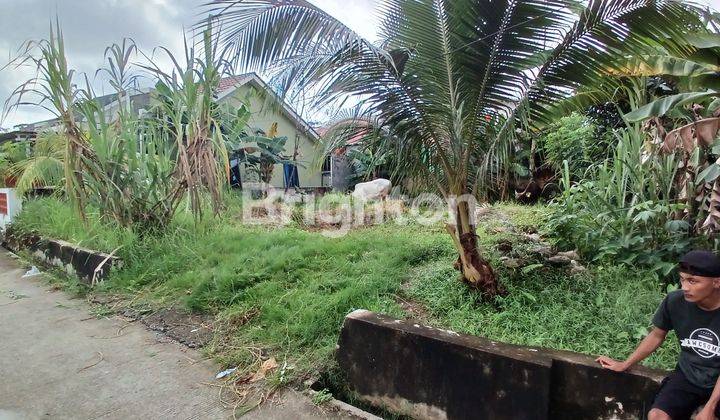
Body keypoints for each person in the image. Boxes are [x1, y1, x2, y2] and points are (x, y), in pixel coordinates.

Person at [596, 250, 720, 420]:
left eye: (693, 281)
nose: (685, 287)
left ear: (716, 282)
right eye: (682, 279)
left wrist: (710, 407)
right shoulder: (675, 301)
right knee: (656, 416)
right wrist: (625, 364)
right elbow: (656, 335)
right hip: (688, 376)